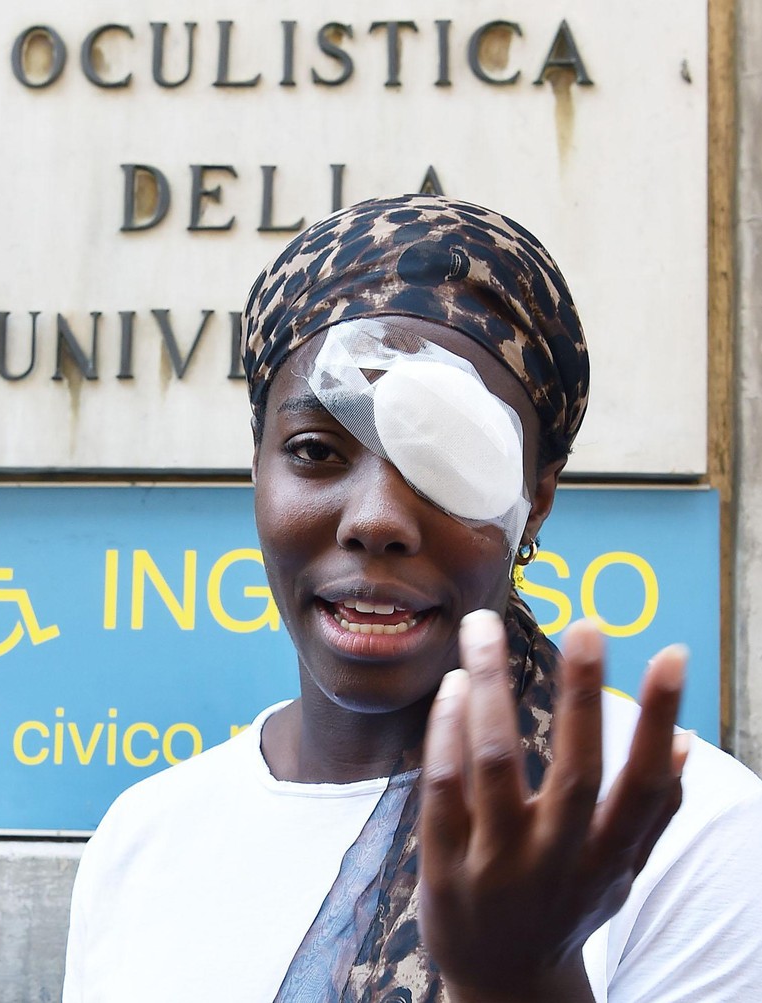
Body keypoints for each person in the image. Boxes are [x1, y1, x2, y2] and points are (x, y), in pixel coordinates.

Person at [62, 195, 762, 1002]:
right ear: (256, 469)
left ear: (533, 501)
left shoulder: (689, 836)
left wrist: (525, 981)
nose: (376, 520)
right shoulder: (144, 841)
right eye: (316, 449)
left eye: (447, 459)